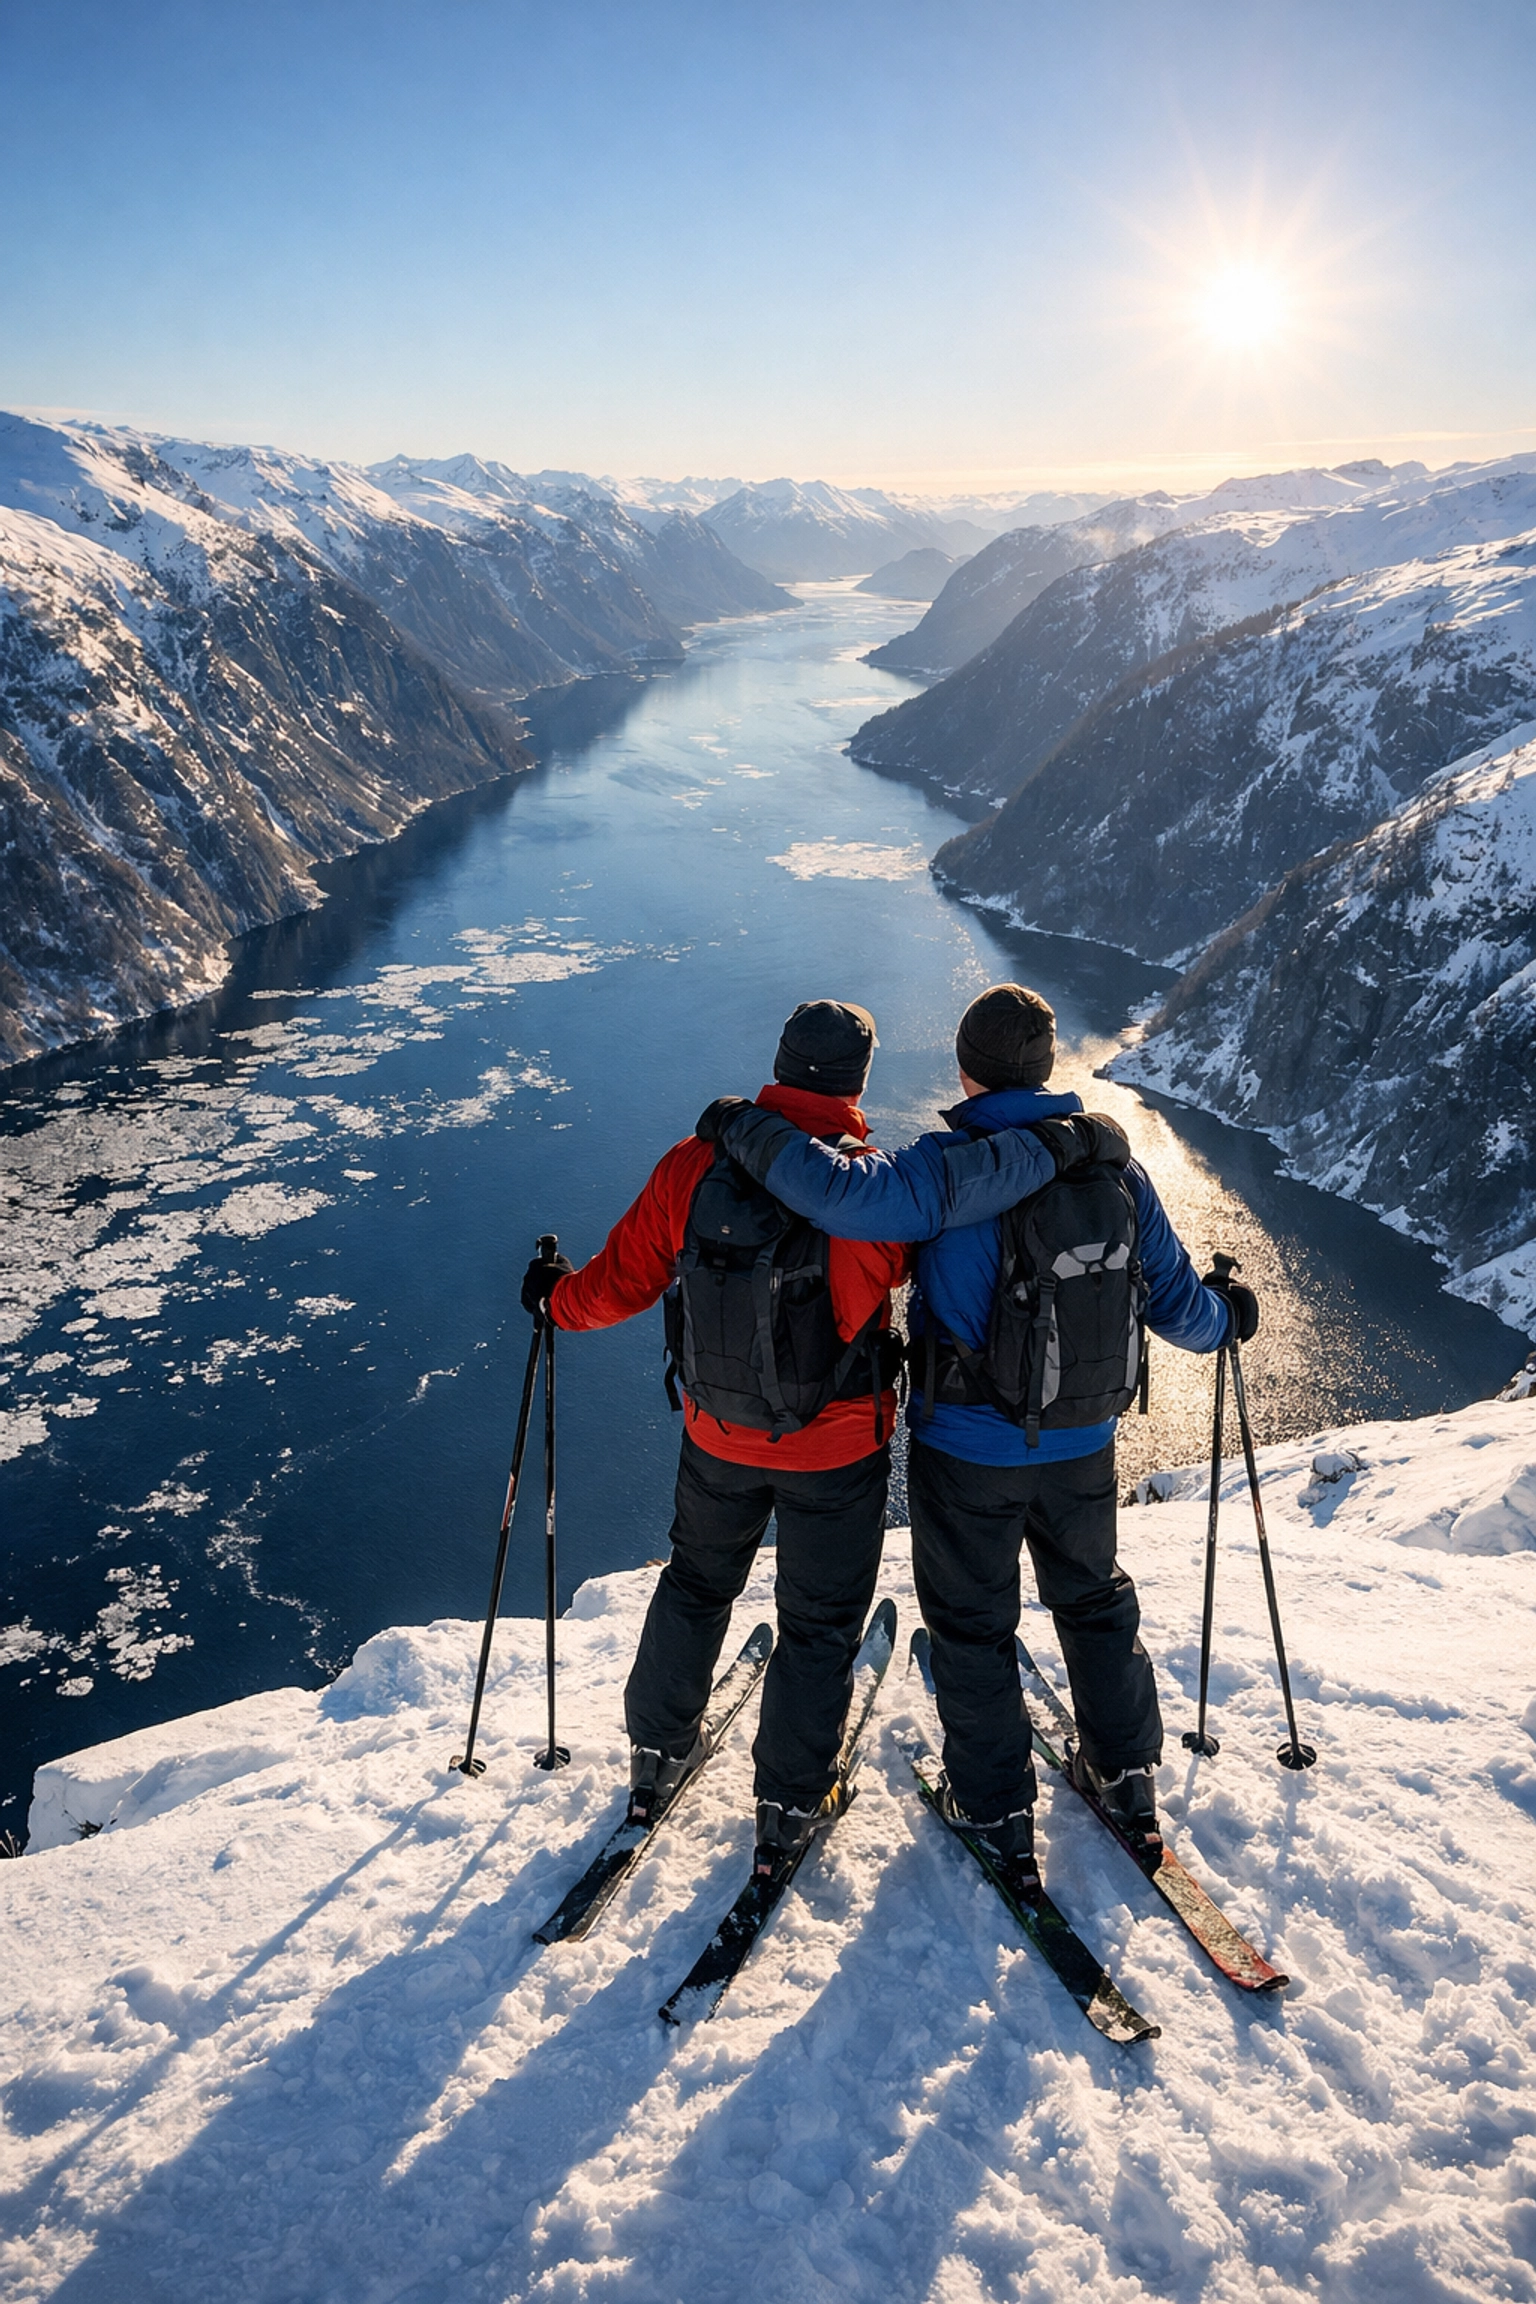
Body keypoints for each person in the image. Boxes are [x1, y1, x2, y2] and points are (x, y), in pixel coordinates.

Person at [698, 982, 1256, 1890]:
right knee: (1093, 1599)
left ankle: (993, 1806)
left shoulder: (941, 1175)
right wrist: (1230, 1318)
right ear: (1046, 1069)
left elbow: (836, 1197)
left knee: (971, 1624)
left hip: (964, 1449)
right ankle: (1126, 1774)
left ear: (965, 1068)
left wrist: (742, 1128)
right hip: (1080, 1442)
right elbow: (1182, 1312)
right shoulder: (1118, 1171)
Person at [520, 999, 913, 1880]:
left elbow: (618, 1284)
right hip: (837, 1451)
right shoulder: (868, 1189)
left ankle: (657, 1752)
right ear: (856, 1080)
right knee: (816, 1626)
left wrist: (552, 1300)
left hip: (718, 1436)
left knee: (697, 1585)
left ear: (778, 1062)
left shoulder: (694, 1167)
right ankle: (787, 1802)